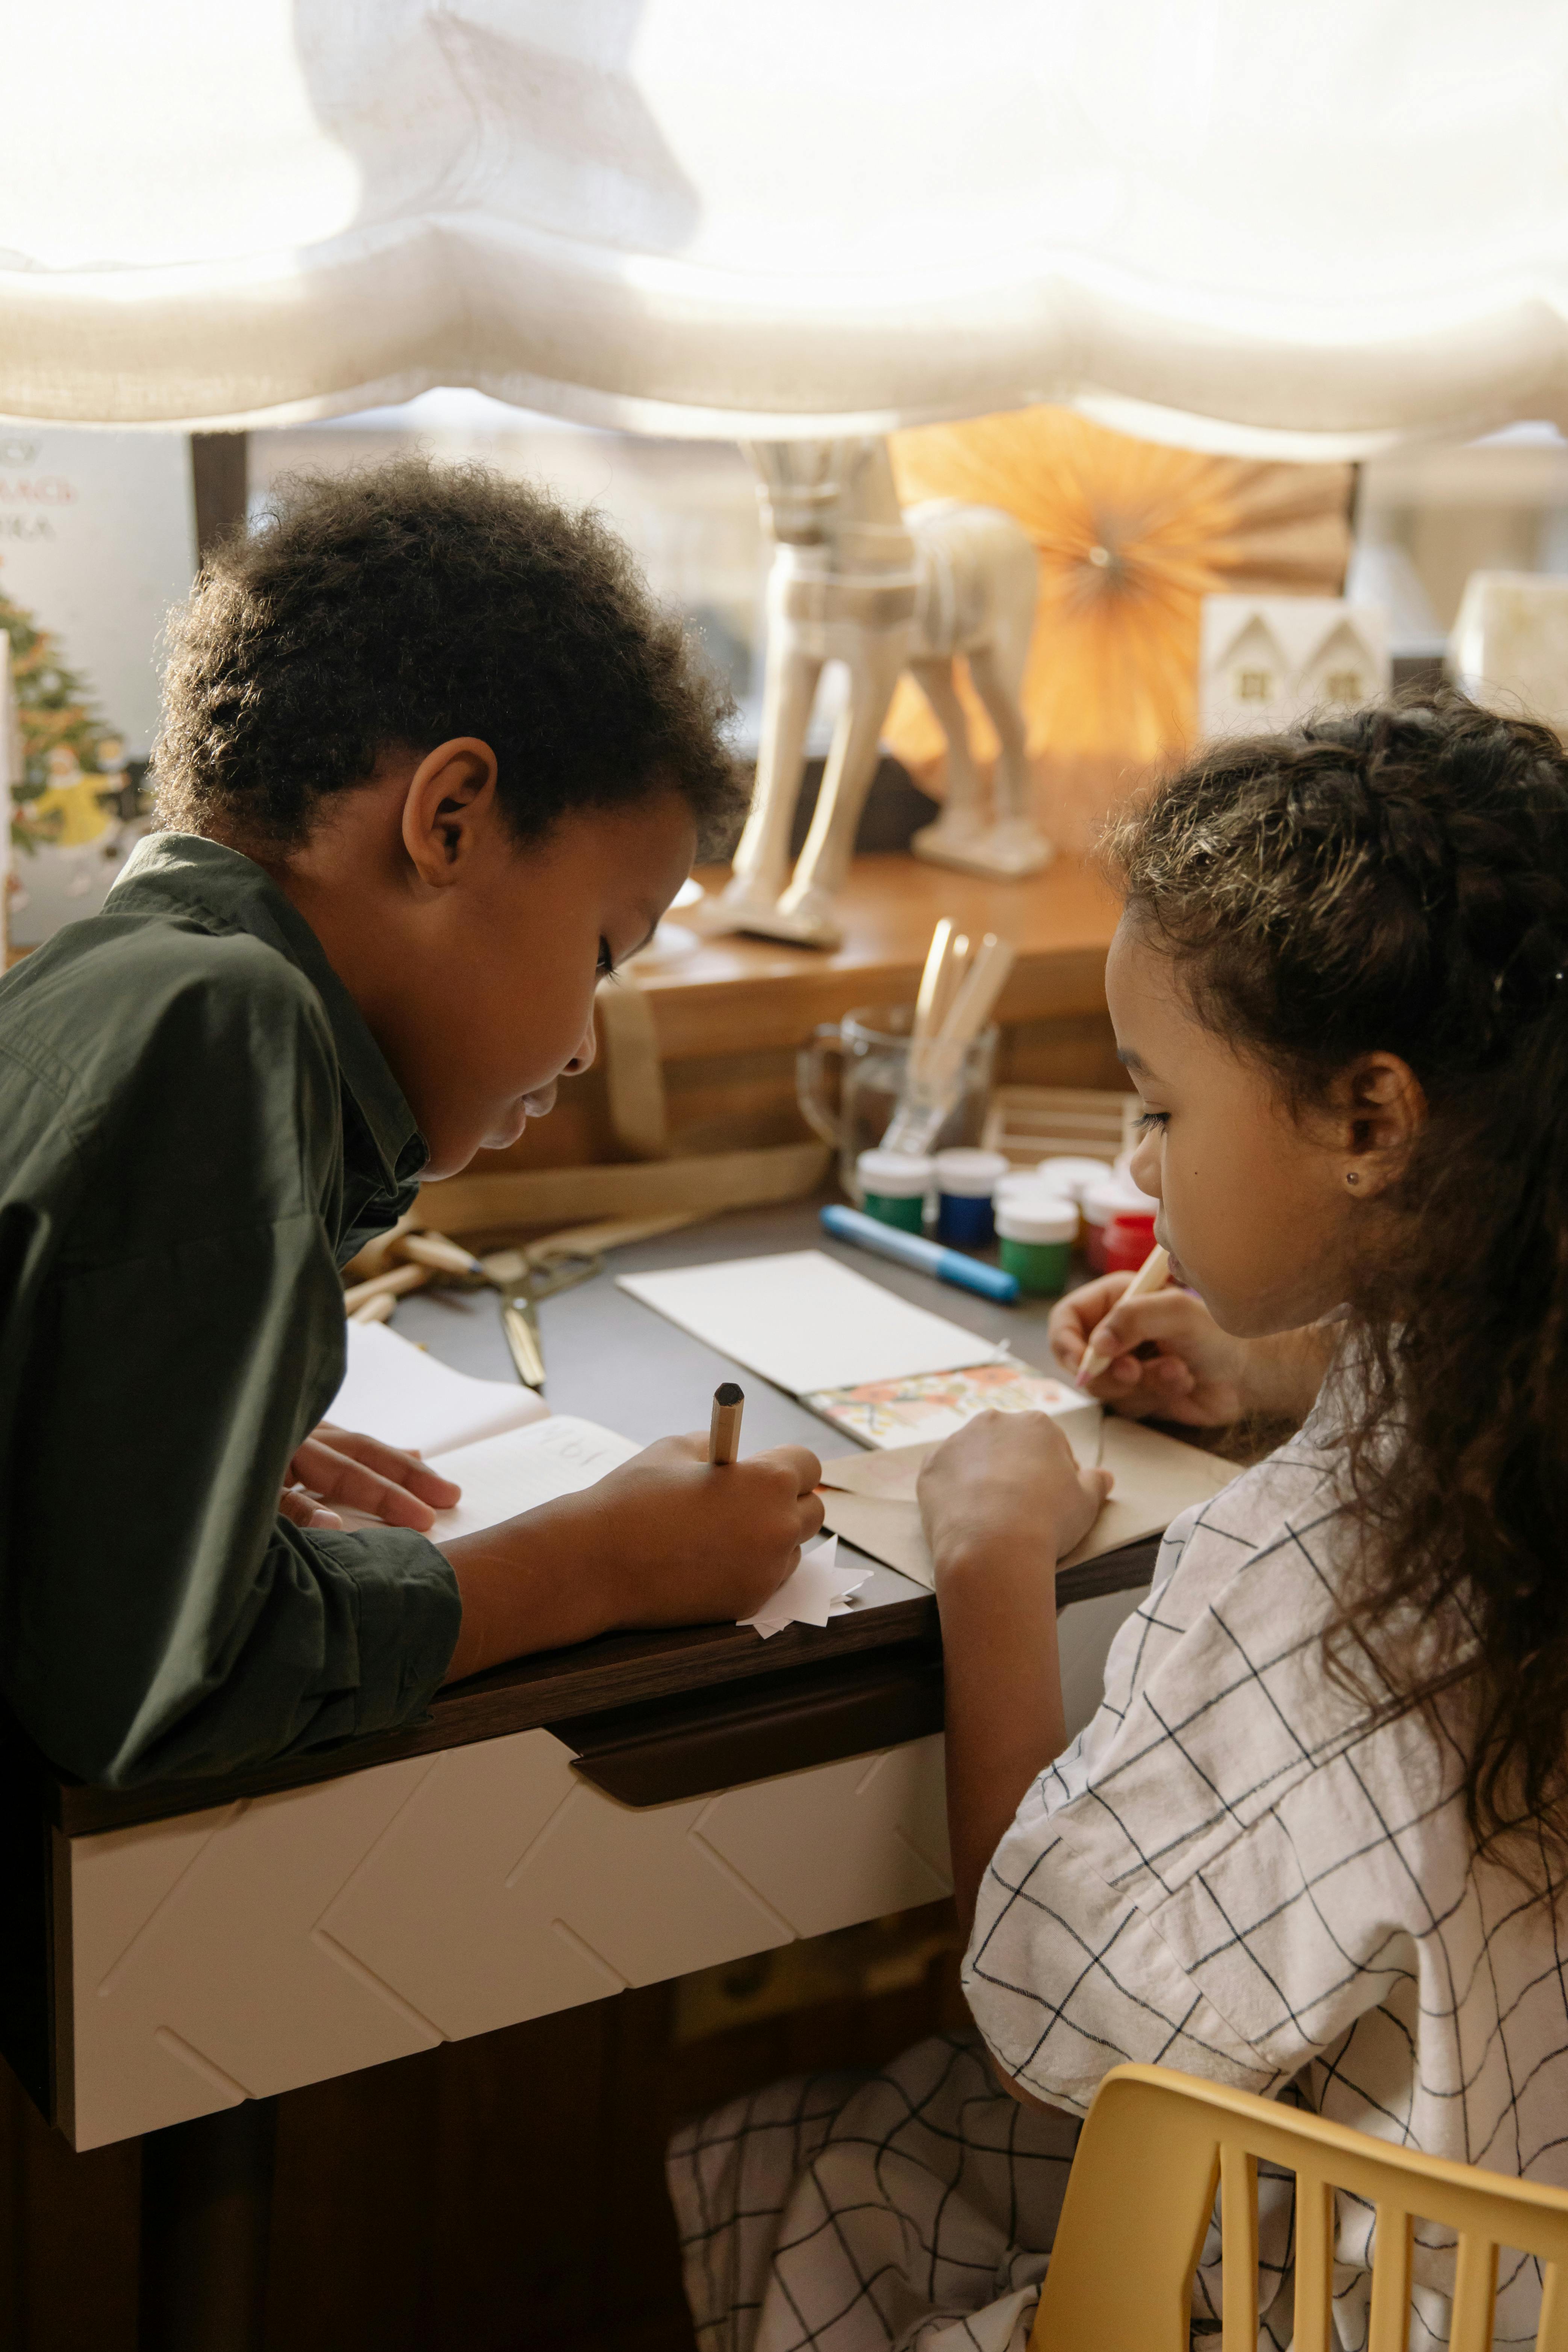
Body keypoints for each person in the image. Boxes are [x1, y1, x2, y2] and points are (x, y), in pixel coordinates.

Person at [670, 696, 1568, 2352]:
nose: (1141, 1164)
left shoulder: (1318, 1577)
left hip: (1342, 2308)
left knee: (834, 2162)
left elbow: (1043, 2005)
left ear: (1369, 1120)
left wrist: (990, 1564)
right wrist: (1284, 1361)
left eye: (1154, 1105)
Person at [0, 458, 821, 1789]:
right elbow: (159, 1693)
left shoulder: (100, 977)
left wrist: (193, 1429)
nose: (583, 1041)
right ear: (449, 820)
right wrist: (598, 1562)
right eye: (604, 950)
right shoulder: (226, 1020)